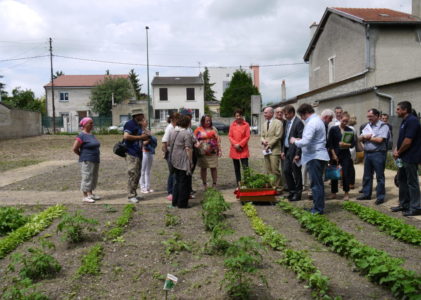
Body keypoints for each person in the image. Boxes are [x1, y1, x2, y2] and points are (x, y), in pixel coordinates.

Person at [290, 103, 330, 214]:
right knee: (318, 183)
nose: (302, 119)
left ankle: (318, 209)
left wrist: (295, 141)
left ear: (305, 113)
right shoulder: (317, 120)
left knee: (316, 184)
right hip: (317, 155)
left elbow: (306, 141)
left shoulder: (312, 123)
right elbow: (311, 139)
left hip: (315, 157)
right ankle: (317, 207)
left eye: (301, 116)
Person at [392, 101, 421, 216]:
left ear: (405, 110)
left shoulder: (412, 121)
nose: (396, 111)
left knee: (412, 182)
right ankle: (404, 204)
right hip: (403, 157)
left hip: (411, 157)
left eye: (398, 109)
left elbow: (408, 141)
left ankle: (416, 207)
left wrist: (398, 152)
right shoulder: (405, 121)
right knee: (402, 180)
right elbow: (402, 139)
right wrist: (396, 150)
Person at [357, 108, 390, 205]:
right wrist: (363, 137)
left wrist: (368, 138)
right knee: (367, 175)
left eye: (371, 116)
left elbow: (380, 140)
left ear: (377, 116)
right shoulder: (368, 126)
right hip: (368, 153)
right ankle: (366, 194)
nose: (369, 118)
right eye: (368, 116)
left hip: (378, 153)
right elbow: (360, 137)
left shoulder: (383, 126)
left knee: (379, 176)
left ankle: (380, 197)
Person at [123, 108, 150, 203]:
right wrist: (140, 137)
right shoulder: (130, 124)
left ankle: (134, 193)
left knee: (137, 174)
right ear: (136, 116)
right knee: (132, 173)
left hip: (138, 152)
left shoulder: (138, 125)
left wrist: (144, 129)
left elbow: (146, 136)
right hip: (131, 153)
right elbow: (126, 136)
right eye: (141, 115)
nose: (143, 116)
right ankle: (130, 195)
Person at [72, 117, 101, 203]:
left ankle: (90, 194)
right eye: (90, 123)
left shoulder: (91, 135)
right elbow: (74, 148)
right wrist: (82, 155)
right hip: (86, 160)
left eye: (92, 123)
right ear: (84, 125)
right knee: (87, 177)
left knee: (93, 177)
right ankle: (85, 196)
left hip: (95, 159)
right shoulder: (81, 135)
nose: (92, 125)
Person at [327, 112, 355, 200]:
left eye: (346, 121)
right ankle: (333, 192)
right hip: (334, 154)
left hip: (346, 154)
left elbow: (352, 144)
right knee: (334, 174)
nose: (345, 122)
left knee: (346, 173)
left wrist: (345, 144)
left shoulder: (350, 130)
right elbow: (329, 143)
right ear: (340, 119)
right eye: (343, 120)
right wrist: (333, 154)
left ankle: (346, 193)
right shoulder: (333, 129)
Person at [169, 115, 195, 208]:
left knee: (177, 181)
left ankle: (175, 202)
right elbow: (188, 148)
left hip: (174, 158)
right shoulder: (186, 133)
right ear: (187, 123)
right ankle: (182, 203)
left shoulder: (174, 132)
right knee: (184, 182)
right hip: (183, 159)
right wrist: (191, 161)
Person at [281, 105, 304, 201]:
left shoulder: (298, 123)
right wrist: (283, 150)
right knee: (286, 171)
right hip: (287, 151)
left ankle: (298, 193)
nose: (284, 116)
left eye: (286, 114)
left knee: (296, 173)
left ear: (291, 113)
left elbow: (301, 138)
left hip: (295, 152)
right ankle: (292, 191)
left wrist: (298, 154)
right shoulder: (287, 122)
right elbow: (285, 137)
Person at [194, 115, 222, 188]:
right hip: (202, 152)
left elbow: (218, 139)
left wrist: (219, 150)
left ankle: (214, 184)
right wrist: (197, 144)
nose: (208, 122)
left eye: (209, 120)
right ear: (203, 121)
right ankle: (204, 184)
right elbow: (194, 139)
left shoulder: (214, 129)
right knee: (203, 168)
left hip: (213, 152)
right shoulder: (198, 129)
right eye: (207, 121)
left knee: (213, 167)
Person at [261, 107, 283, 192]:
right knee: (268, 169)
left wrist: (269, 145)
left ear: (271, 113)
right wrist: (263, 141)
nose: (264, 114)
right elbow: (262, 135)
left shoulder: (278, 123)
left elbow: (278, 136)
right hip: (266, 150)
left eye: (266, 113)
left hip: (274, 150)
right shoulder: (264, 124)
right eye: (264, 113)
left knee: (275, 170)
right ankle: (272, 186)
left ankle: (279, 188)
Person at [228, 109, 250, 186]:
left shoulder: (246, 125)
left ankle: (248, 184)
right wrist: (235, 145)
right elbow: (230, 136)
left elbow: (247, 136)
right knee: (236, 168)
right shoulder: (232, 125)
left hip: (243, 149)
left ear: (242, 115)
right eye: (236, 116)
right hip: (234, 149)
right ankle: (239, 184)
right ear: (234, 116)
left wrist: (240, 145)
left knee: (245, 168)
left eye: (239, 115)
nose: (238, 117)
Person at [162, 112, 180, 201]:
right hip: (170, 153)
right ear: (174, 120)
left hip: (174, 152)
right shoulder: (169, 128)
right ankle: (170, 191)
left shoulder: (175, 127)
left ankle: (173, 191)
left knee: (174, 172)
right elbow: (164, 141)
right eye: (178, 119)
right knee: (172, 173)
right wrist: (166, 153)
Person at [139, 119, 157, 194]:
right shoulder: (139, 131)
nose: (146, 123)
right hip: (143, 152)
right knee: (142, 170)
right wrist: (148, 140)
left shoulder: (147, 130)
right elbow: (141, 143)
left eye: (146, 122)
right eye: (144, 121)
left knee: (148, 171)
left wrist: (150, 139)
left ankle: (147, 187)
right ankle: (142, 187)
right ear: (141, 123)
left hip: (150, 152)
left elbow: (151, 140)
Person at [274, 107, 288, 191]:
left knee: (285, 168)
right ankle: (276, 184)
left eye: (281, 112)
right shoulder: (272, 122)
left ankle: (285, 185)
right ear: (275, 113)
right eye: (278, 112)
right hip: (274, 147)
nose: (280, 113)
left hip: (284, 148)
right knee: (275, 168)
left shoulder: (286, 122)